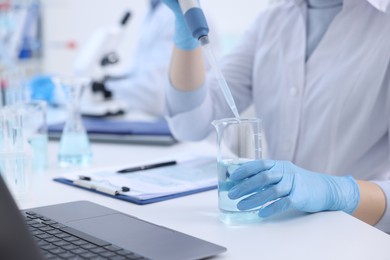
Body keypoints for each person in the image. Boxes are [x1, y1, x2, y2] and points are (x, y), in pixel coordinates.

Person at [161, 0, 390, 233]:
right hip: (275, 229)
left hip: (359, 237)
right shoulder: (272, 19)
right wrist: (186, 38)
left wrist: (340, 193)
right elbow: (190, 122)